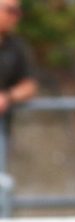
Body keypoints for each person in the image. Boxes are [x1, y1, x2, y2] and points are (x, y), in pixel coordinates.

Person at [0, 0, 38, 134]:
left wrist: (7, 97)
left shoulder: (16, 46)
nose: (16, 16)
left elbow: (29, 86)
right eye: (11, 10)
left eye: (18, 12)